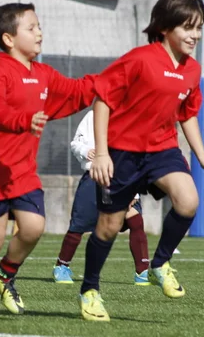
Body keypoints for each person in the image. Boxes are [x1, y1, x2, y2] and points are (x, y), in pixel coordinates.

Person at [78, 0, 204, 322]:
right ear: (165, 28)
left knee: (188, 201)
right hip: (123, 154)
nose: (195, 35)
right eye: (188, 27)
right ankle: (89, 290)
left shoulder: (192, 70)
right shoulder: (140, 59)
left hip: (162, 150)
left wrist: (202, 156)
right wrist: (101, 154)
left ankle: (159, 263)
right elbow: (103, 99)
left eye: (199, 27)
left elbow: (187, 113)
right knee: (108, 227)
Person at [0, 2, 96, 321]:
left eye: (39, 26)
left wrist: (114, 80)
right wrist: (23, 120)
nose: (39, 32)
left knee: (33, 228)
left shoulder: (44, 74)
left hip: (21, 171)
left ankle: (4, 275)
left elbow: (77, 91)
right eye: (31, 27)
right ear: (9, 38)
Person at [52, 110, 150, 286]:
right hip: (94, 176)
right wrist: (86, 150)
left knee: (135, 220)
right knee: (78, 225)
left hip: (122, 179)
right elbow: (75, 143)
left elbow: (137, 156)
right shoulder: (92, 115)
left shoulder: (132, 116)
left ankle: (142, 272)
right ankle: (62, 266)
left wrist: (134, 191)